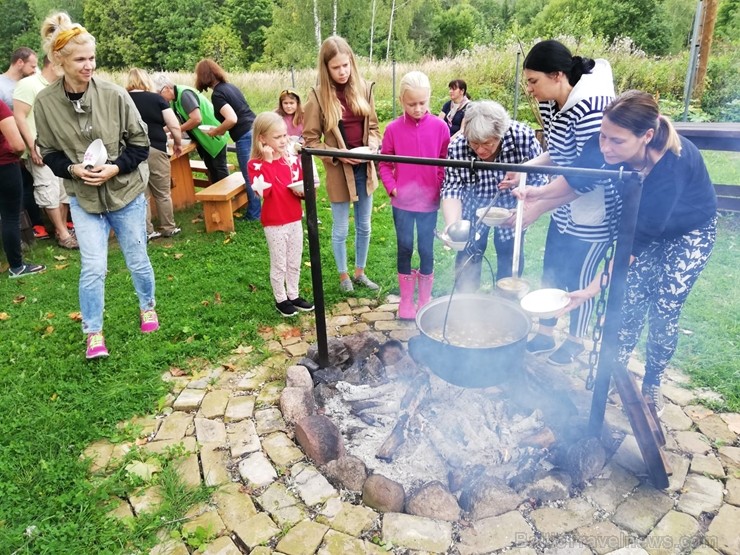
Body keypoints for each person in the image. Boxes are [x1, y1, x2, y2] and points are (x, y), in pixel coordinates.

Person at [516, 90, 717, 417]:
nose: (606, 146)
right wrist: (536, 193)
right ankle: (615, 371)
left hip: (689, 232)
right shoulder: (605, 143)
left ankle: (652, 381)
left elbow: (638, 239)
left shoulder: (674, 163)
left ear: (646, 136)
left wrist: (593, 288)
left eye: (617, 141)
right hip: (644, 226)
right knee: (630, 302)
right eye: (603, 136)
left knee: (665, 306)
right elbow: (577, 179)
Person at [34, 12, 158, 359]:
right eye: (80, 59)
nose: (88, 66)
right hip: (83, 199)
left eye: (92, 58)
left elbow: (140, 145)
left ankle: (147, 306)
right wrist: (73, 168)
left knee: (137, 259)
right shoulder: (45, 103)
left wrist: (114, 167)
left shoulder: (116, 95)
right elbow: (49, 152)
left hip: (126, 193)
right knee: (93, 267)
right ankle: (93, 332)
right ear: (59, 60)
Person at [506, 39, 618, 366]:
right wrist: (523, 171)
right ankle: (545, 332)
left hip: (595, 208)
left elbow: (588, 176)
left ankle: (576, 340)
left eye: (532, 81)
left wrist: (538, 202)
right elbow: (557, 151)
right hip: (566, 205)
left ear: (557, 75)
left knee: (580, 277)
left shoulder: (592, 107)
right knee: (552, 270)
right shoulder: (548, 102)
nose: (529, 89)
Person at [303, 36, 382, 293]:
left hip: (365, 167)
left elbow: (373, 127)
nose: (343, 72)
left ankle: (360, 272)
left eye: (346, 65)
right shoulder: (317, 96)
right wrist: (338, 154)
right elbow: (310, 140)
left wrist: (371, 147)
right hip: (339, 171)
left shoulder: (364, 89)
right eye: (336, 67)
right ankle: (343, 275)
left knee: (365, 225)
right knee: (340, 228)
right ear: (326, 68)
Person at [441, 100, 545, 292]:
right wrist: (452, 225)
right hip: (473, 208)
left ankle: (505, 305)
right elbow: (452, 188)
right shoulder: (457, 146)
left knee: (509, 256)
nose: (480, 150)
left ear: (500, 134)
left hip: (512, 207)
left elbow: (541, 177)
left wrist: (524, 210)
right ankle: (465, 304)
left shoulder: (522, 137)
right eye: (475, 144)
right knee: (467, 257)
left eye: (488, 143)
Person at [379, 71, 450, 320]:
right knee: (405, 247)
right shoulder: (393, 129)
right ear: (402, 101)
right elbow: (384, 163)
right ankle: (406, 301)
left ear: (429, 99)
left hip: (429, 203)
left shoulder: (441, 128)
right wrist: (392, 187)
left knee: (426, 249)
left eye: (422, 103)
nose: (418, 109)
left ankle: (425, 299)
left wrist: (438, 185)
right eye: (412, 104)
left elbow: (444, 161)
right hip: (403, 203)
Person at [248, 112, 314, 317]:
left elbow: (303, 185)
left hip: (294, 217)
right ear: (262, 139)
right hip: (274, 222)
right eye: (278, 137)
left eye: (285, 135)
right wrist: (268, 163)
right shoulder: (255, 165)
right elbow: (263, 192)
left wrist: (303, 192)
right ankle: (281, 299)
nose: (284, 140)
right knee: (280, 263)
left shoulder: (292, 161)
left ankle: (293, 294)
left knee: (294, 260)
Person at [13, 54, 78, 249]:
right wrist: (32, 147)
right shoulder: (29, 84)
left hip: (62, 147)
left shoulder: (61, 86)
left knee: (63, 190)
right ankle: (64, 233)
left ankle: (61, 230)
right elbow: (19, 116)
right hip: (40, 149)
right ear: (55, 64)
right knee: (48, 189)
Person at [194, 59, 261, 220]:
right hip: (256, 128)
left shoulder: (218, 94)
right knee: (258, 172)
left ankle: (254, 214)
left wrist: (216, 131)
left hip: (245, 134)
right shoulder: (230, 87)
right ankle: (259, 208)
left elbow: (231, 119)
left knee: (249, 174)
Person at [125, 68, 183, 240]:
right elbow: (173, 125)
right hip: (156, 148)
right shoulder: (156, 98)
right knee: (162, 192)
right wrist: (178, 143)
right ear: (145, 80)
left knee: (141, 193)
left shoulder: (123, 99)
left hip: (132, 151)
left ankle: (147, 231)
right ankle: (168, 227)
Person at [151, 73, 229, 190]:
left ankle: (226, 200)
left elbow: (196, 119)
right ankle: (217, 200)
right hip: (204, 139)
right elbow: (176, 123)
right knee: (212, 169)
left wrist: (177, 130)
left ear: (167, 88)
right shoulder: (174, 100)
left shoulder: (184, 95)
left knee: (218, 169)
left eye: (158, 93)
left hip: (214, 135)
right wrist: (160, 130)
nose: (158, 97)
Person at [0, 47, 46, 239]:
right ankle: (29, 230)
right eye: (32, 66)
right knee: (21, 192)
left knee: (31, 186)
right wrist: (17, 149)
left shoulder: (28, 84)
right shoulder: (2, 86)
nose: (35, 70)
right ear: (20, 62)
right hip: (10, 150)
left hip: (26, 145)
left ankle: (36, 227)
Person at [0, 99, 46, 277]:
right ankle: (17, 267)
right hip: (4, 166)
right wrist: (16, 155)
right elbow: (18, 145)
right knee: (10, 217)